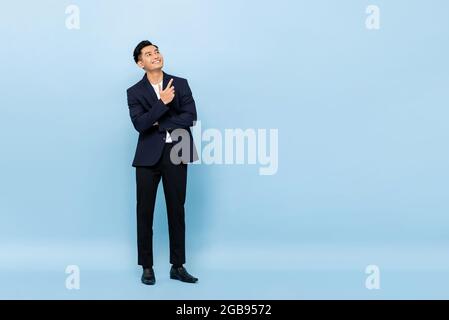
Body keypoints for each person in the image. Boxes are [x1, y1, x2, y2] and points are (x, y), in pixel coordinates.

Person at [126, 40, 199, 285]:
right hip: (147, 157)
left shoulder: (180, 83)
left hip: (178, 150)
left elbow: (191, 117)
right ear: (140, 63)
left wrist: (158, 120)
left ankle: (177, 266)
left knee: (176, 210)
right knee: (144, 212)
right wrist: (163, 103)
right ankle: (147, 267)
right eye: (149, 54)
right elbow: (140, 125)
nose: (155, 55)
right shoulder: (134, 92)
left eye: (156, 51)